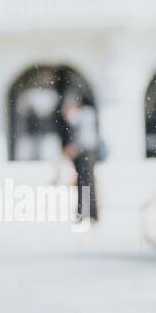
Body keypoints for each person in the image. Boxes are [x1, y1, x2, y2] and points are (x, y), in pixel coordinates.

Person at [61, 94, 99, 224]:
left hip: (84, 153)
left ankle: (83, 212)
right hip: (90, 152)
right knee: (89, 183)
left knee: (84, 183)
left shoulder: (84, 113)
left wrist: (69, 111)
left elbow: (70, 118)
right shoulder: (91, 114)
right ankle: (91, 214)